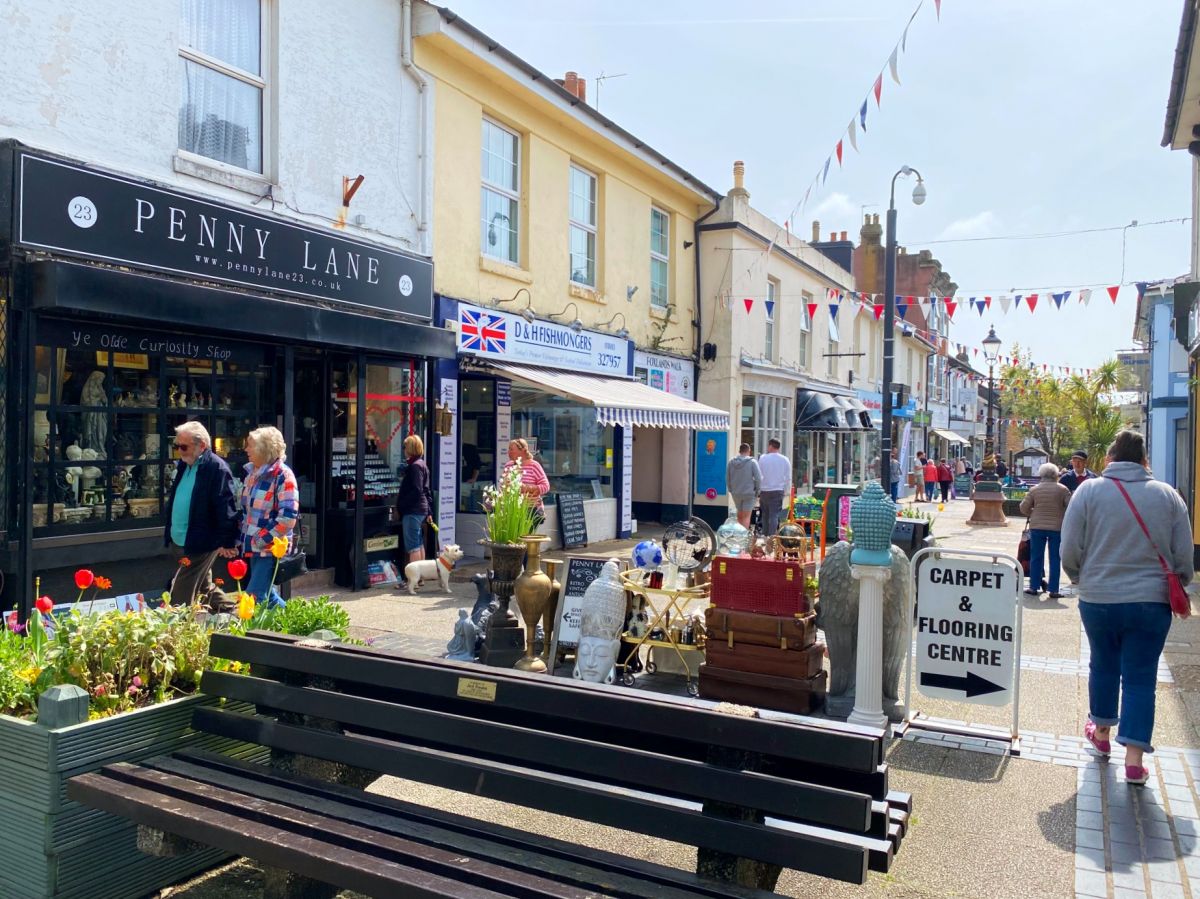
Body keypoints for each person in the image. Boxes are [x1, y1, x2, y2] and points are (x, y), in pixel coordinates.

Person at [1061, 430, 1192, 785]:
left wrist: (1078, 576)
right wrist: (1183, 583)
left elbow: (1069, 545)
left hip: (1098, 597)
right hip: (1151, 602)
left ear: (1109, 459)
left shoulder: (1088, 491)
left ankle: (1101, 735)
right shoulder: (1168, 496)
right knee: (1140, 676)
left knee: (1102, 664)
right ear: (1145, 460)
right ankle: (1134, 761)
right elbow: (1184, 555)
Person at [164, 421, 240, 611]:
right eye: (176, 446)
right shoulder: (185, 464)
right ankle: (237, 614)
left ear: (202, 446)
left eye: (183, 446)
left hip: (201, 539)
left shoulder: (217, 468)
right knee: (205, 587)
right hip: (180, 538)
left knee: (181, 592)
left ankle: (177, 628)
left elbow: (225, 506)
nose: (179, 451)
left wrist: (228, 541)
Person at [238, 426, 299, 610]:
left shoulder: (284, 475)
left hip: (270, 547)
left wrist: (260, 539)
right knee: (268, 598)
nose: (246, 450)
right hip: (253, 546)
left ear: (266, 449)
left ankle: (251, 635)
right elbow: (245, 511)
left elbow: (288, 518)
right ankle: (296, 626)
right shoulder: (252, 474)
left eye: (251, 446)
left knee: (253, 597)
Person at [1019, 463, 1071, 599]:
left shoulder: (1035, 490)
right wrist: (1061, 514)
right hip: (1057, 528)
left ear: (1041, 475)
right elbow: (1071, 507)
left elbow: (1023, 508)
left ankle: (1033, 587)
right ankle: (1054, 589)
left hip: (1037, 527)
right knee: (1055, 558)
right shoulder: (1063, 489)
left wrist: (1034, 512)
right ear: (1056, 475)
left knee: (1036, 557)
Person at [396, 434, 435, 586]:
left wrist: (403, 505)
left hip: (413, 510)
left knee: (412, 546)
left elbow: (418, 490)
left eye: (405, 446)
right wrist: (429, 511)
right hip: (420, 509)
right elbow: (426, 491)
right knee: (418, 544)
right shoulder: (421, 464)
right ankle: (420, 578)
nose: (404, 449)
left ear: (410, 448)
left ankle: (412, 579)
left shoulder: (415, 466)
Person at [504, 437, 550, 523]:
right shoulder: (508, 466)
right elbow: (503, 487)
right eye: (508, 449)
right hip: (512, 510)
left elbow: (546, 486)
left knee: (525, 536)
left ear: (522, 451)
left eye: (511, 449)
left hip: (530, 510)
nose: (508, 452)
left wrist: (528, 488)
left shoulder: (534, 466)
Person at [757, 438, 791, 535]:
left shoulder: (763, 458)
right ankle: (772, 538)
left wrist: (759, 489)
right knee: (774, 515)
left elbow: (759, 475)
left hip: (764, 491)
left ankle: (765, 535)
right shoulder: (785, 460)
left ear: (771, 446)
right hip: (777, 491)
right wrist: (786, 491)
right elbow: (788, 478)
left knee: (764, 515)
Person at [726, 443, 761, 529]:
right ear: (749, 451)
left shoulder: (731, 462)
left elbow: (727, 477)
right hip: (749, 493)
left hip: (736, 493)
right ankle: (743, 539)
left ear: (739, 451)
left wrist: (731, 489)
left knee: (740, 515)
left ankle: (739, 536)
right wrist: (757, 491)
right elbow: (758, 478)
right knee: (746, 516)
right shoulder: (752, 462)